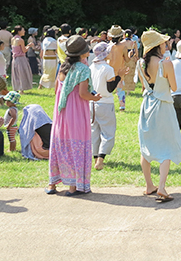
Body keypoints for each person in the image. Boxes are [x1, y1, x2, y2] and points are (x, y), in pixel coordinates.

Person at [46, 35, 101, 196]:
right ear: (83, 53)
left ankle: (52, 184)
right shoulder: (83, 69)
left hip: (61, 112)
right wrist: (95, 97)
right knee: (76, 145)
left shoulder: (63, 66)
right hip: (76, 113)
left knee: (61, 145)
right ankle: (73, 186)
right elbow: (83, 94)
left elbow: (58, 89)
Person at [136, 30, 181, 202]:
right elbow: (174, 87)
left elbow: (144, 86)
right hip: (163, 105)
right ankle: (162, 187)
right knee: (166, 147)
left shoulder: (140, 63)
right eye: (164, 43)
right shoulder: (166, 64)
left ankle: (149, 185)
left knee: (146, 146)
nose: (166, 45)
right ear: (157, 46)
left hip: (146, 105)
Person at [89, 42, 124, 170]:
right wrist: (119, 76)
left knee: (94, 131)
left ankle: (95, 158)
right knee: (108, 132)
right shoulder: (107, 69)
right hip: (105, 103)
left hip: (92, 103)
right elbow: (110, 89)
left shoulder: (91, 67)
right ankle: (100, 159)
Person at [107, 25, 130, 111]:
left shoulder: (107, 46)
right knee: (120, 90)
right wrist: (130, 55)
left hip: (108, 70)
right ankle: (122, 106)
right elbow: (127, 60)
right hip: (119, 70)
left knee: (108, 88)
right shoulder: (123, 47)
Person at [11, 26, 34, 93]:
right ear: (19, 31)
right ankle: (22, 89)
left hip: (15, 58)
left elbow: (19, 49)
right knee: (22, 73)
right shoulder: (21, 40)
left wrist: (27, 46)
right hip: (21, 58)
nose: (24, 31)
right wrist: (29, 46)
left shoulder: (13, 39)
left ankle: (16, 88)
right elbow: (24, 50)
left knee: (16, 74)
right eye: (23, 30)